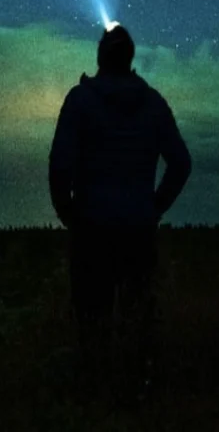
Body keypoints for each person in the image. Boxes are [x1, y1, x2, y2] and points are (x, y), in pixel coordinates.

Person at [48, 23, 192, 387]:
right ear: (130, 59)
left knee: (92, 325)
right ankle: (136, 398)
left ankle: (94, 399)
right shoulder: (154, 103)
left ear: (100, 57)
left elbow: (59, 167)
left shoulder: (80, 101)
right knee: (137, 323)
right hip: (138, 232)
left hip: (92, 230)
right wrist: (153, 207)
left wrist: (69, 215)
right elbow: (181, 163)